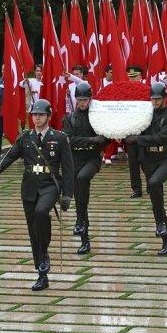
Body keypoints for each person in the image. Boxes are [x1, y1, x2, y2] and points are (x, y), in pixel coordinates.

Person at [0, 99, 73, 291]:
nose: (37, 118)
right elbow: (11, 155)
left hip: (49, 186)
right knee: (32, 229)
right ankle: (41, 273)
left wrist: (67, 194)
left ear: (49, 116)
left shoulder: (59, 138)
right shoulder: (25, 137)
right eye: (34, 115)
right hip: (29, 187)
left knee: (42, 212)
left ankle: (44, 252)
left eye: (41, 115)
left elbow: (68, 169)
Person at [124, 83, 167, 255]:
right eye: (153, 99)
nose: (155, 102)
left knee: (155, 184)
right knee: (156, 199)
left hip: (166, 159)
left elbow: (160, 137)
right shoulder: (146, 115)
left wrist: (138, 139)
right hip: (148, 160)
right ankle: (166, 239)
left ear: (164, 99)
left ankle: (161, 225)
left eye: (158, 99)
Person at [62, 82, 110, 255]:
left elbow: (106, 138)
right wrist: (90, 140)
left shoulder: (97, 117)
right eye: (79, 99)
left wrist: (99, 141)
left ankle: (81, 221)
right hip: (75, 158)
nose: (82, 103)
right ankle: (84, 237)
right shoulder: (70, 118)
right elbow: (68, 139)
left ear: (90, 99)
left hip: (92, 158)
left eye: (85, 99)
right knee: (79, 200)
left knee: (83, 178)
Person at [126, 65, 146, 198]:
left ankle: (152, 185)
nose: (133, 80)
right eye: (130, 78)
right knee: (133, 163)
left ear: (141, 77)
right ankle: (136, 189)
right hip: (130, 132)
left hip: (145, 132)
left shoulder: (147, 90)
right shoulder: (125, 92)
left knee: (146, 161)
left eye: (135, 77)